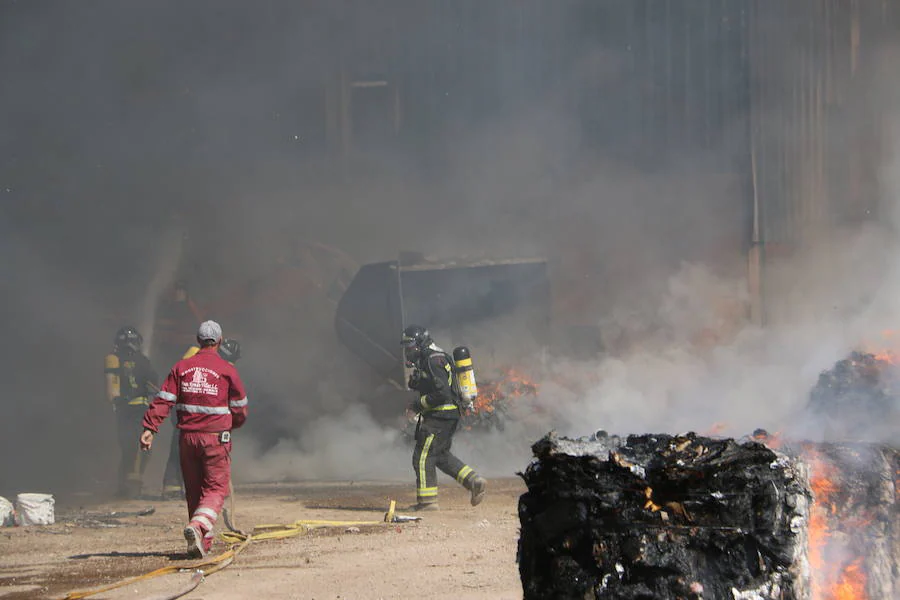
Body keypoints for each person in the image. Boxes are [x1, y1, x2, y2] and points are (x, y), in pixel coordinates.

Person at [140, 321, 248, 558]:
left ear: (198, 341)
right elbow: (240, 407)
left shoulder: (181, 368)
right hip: (215, 439)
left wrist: (150, 427)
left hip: (186, 439)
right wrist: (233, 424)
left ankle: (202, 543)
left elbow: (163, 399)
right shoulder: (227, 370)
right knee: (216, 489)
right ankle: (198, 527)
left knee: (194, 491)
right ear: (219, 342)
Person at [402, 324, 486, 511]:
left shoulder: (432, 360)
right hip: (447, 416)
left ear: (421, 343)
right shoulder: (434, 358)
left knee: (422, 457)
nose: (408, 352)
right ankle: (474, 481)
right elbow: (436, 385)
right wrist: (418, 382)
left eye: (411, 347)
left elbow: (442, 394)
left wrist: (417, 406)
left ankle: (427, 503)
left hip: (440, 416)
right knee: (440, 456)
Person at [161, 338, 243, 500]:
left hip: (204, 417)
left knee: (206, 451)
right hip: (187, 413)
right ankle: (173, 487)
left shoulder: (221, 367)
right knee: (182, 448)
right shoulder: (197, 358)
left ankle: (208, 486)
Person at [105, 326, 159, 499]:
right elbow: (153, 382)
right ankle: (131, 487)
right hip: (139, 409)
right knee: (140, 448)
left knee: (128, 447)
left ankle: (126, 487)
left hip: (124, 410)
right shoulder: (143, 360)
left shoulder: (115, 359)